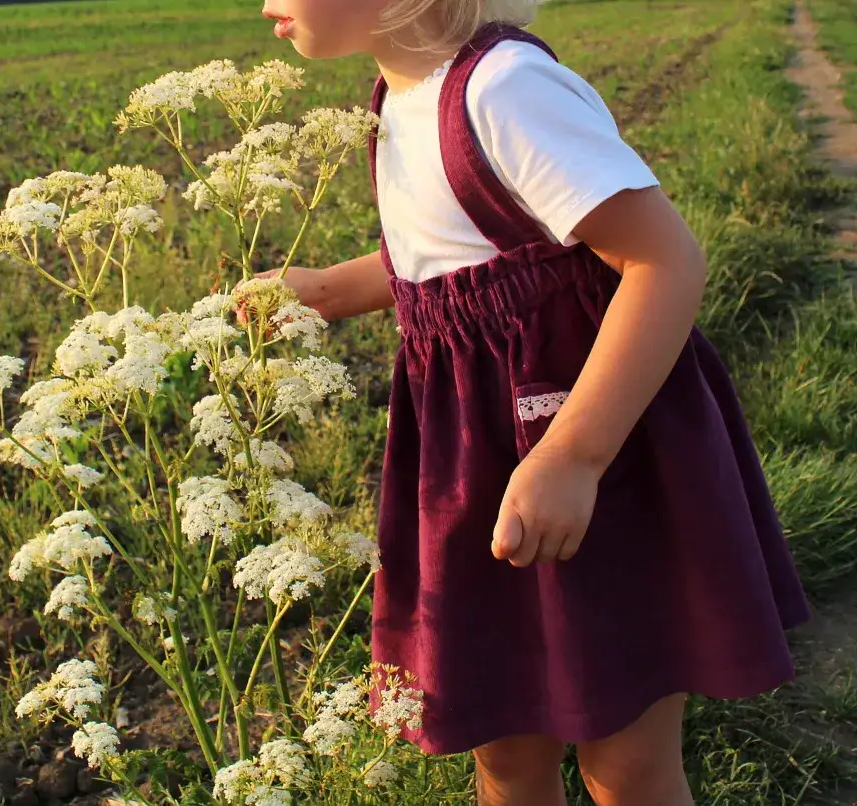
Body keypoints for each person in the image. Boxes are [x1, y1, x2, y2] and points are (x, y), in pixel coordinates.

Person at [252, 1, 813, 804]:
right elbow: (453, 254)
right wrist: (328, 292)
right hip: (474, 474)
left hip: (596, 462)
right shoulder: (396, 101)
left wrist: (572, 457)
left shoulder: (504, 90)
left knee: (624, 765)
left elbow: (663, 261)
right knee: (506, 756)